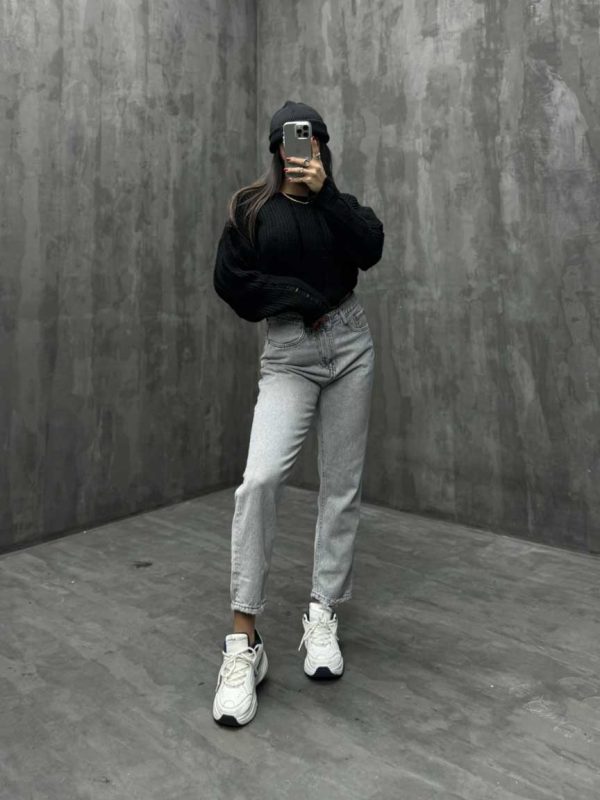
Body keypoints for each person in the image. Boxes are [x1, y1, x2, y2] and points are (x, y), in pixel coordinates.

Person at [212, 100, 384, 727]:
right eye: (289, 142)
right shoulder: (252, 208)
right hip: (289, 353)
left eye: (310, 142)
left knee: (341, 487)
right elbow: (232, 282)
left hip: (350, 345)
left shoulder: (338, 205)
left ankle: (322, 613)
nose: (299, 151)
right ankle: (244, 642)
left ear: (322, 147)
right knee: (259, 480)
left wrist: (327, 192)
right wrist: (298, 296)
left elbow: (370, 248)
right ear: (275, 149)